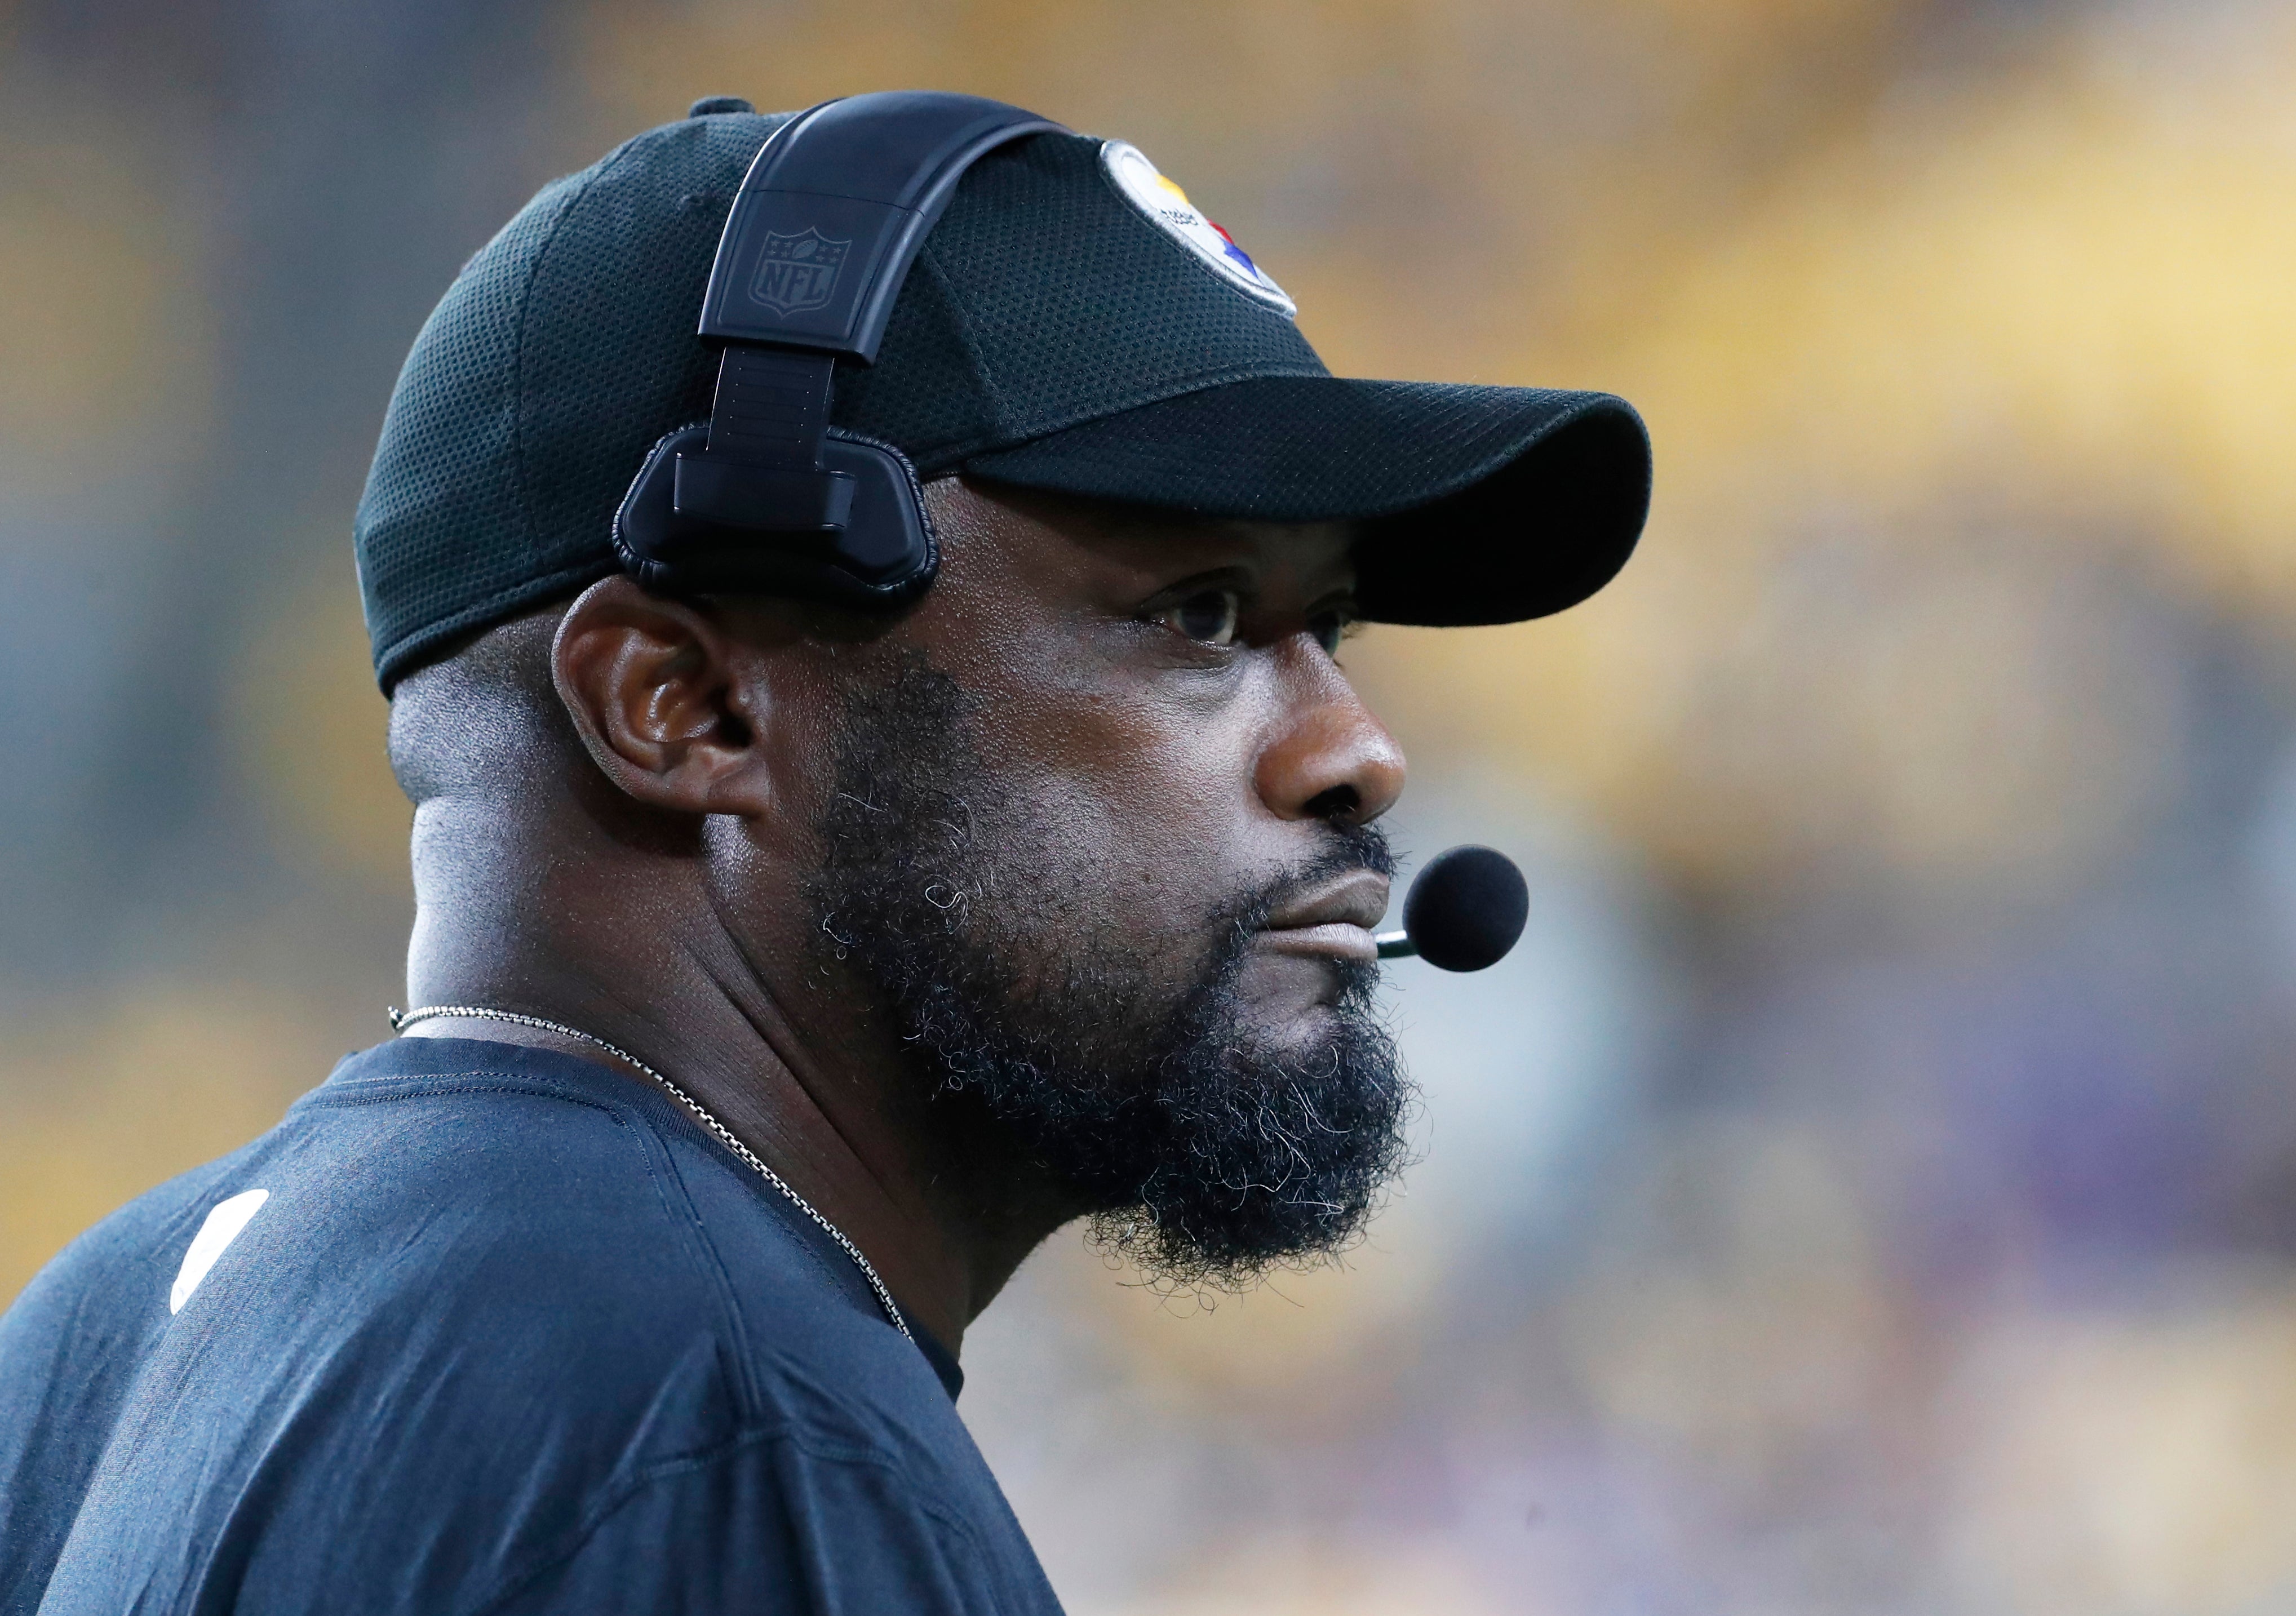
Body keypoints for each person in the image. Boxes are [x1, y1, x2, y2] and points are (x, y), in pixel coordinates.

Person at [0, 95, 1649, 1614]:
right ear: (686, 709)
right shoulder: (727, 1424)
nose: (1356, 750)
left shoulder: (92, 1342)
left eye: (1332, 626)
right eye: (1199, 613)